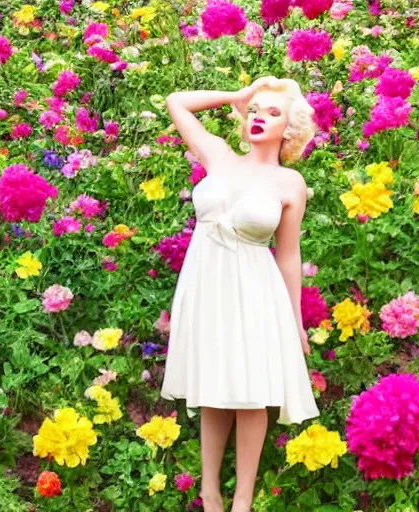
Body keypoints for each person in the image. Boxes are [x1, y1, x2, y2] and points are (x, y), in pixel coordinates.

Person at [160, 76, 320, 512]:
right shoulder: (220, 156)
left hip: (255, 288)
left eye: (272, 113)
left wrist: (295, 321)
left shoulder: (291, 183)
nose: (259, 117)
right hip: (205, 284)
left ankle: (242, 500)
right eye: (255, 110)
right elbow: (177, 98)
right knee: (211, 384)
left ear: (290, 128)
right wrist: (237, 95)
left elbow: (288, 256)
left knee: (253, 390)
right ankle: (209, 492)